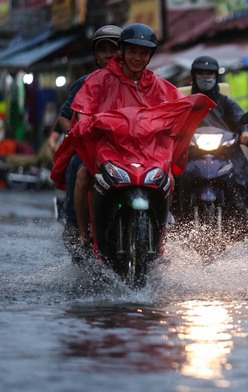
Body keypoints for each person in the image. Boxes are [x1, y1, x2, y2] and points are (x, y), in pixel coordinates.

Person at [53, 23, 190, 247]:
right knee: (82, 175)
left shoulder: (157, 84)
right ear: (124, 52)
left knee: (170, 178)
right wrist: (84, 127)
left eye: (143, 53)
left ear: (150, 56)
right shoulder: (97, 80)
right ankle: (80, 232)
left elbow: (178, 108)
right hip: (107, 150)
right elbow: (79, 110)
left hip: (145, 152)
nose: (138, 57)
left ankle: (162, 234)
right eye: (133, 52)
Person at [173, 55, 248, 237]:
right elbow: (172, 121)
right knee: (173, 178)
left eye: (209, 73)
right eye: (201, 73)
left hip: (224, 152)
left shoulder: (226, 102)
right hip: (190, 152)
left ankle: (240, 220)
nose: (205, 77)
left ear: (216, 76)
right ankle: (174, 219)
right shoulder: (184, 102)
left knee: (241, 178)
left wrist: (245, 133)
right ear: (194, 76)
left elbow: (239, 118)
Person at [58, 25, 122, 245]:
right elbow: (65, 116)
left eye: (114, 49)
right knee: (78, 168)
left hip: (130, 147)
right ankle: (75, 224)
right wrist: (75, 134)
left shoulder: (138, 81)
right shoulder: (85, 83)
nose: (109, 55)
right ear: (96, 55)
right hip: (93, 147)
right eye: (102, 50)